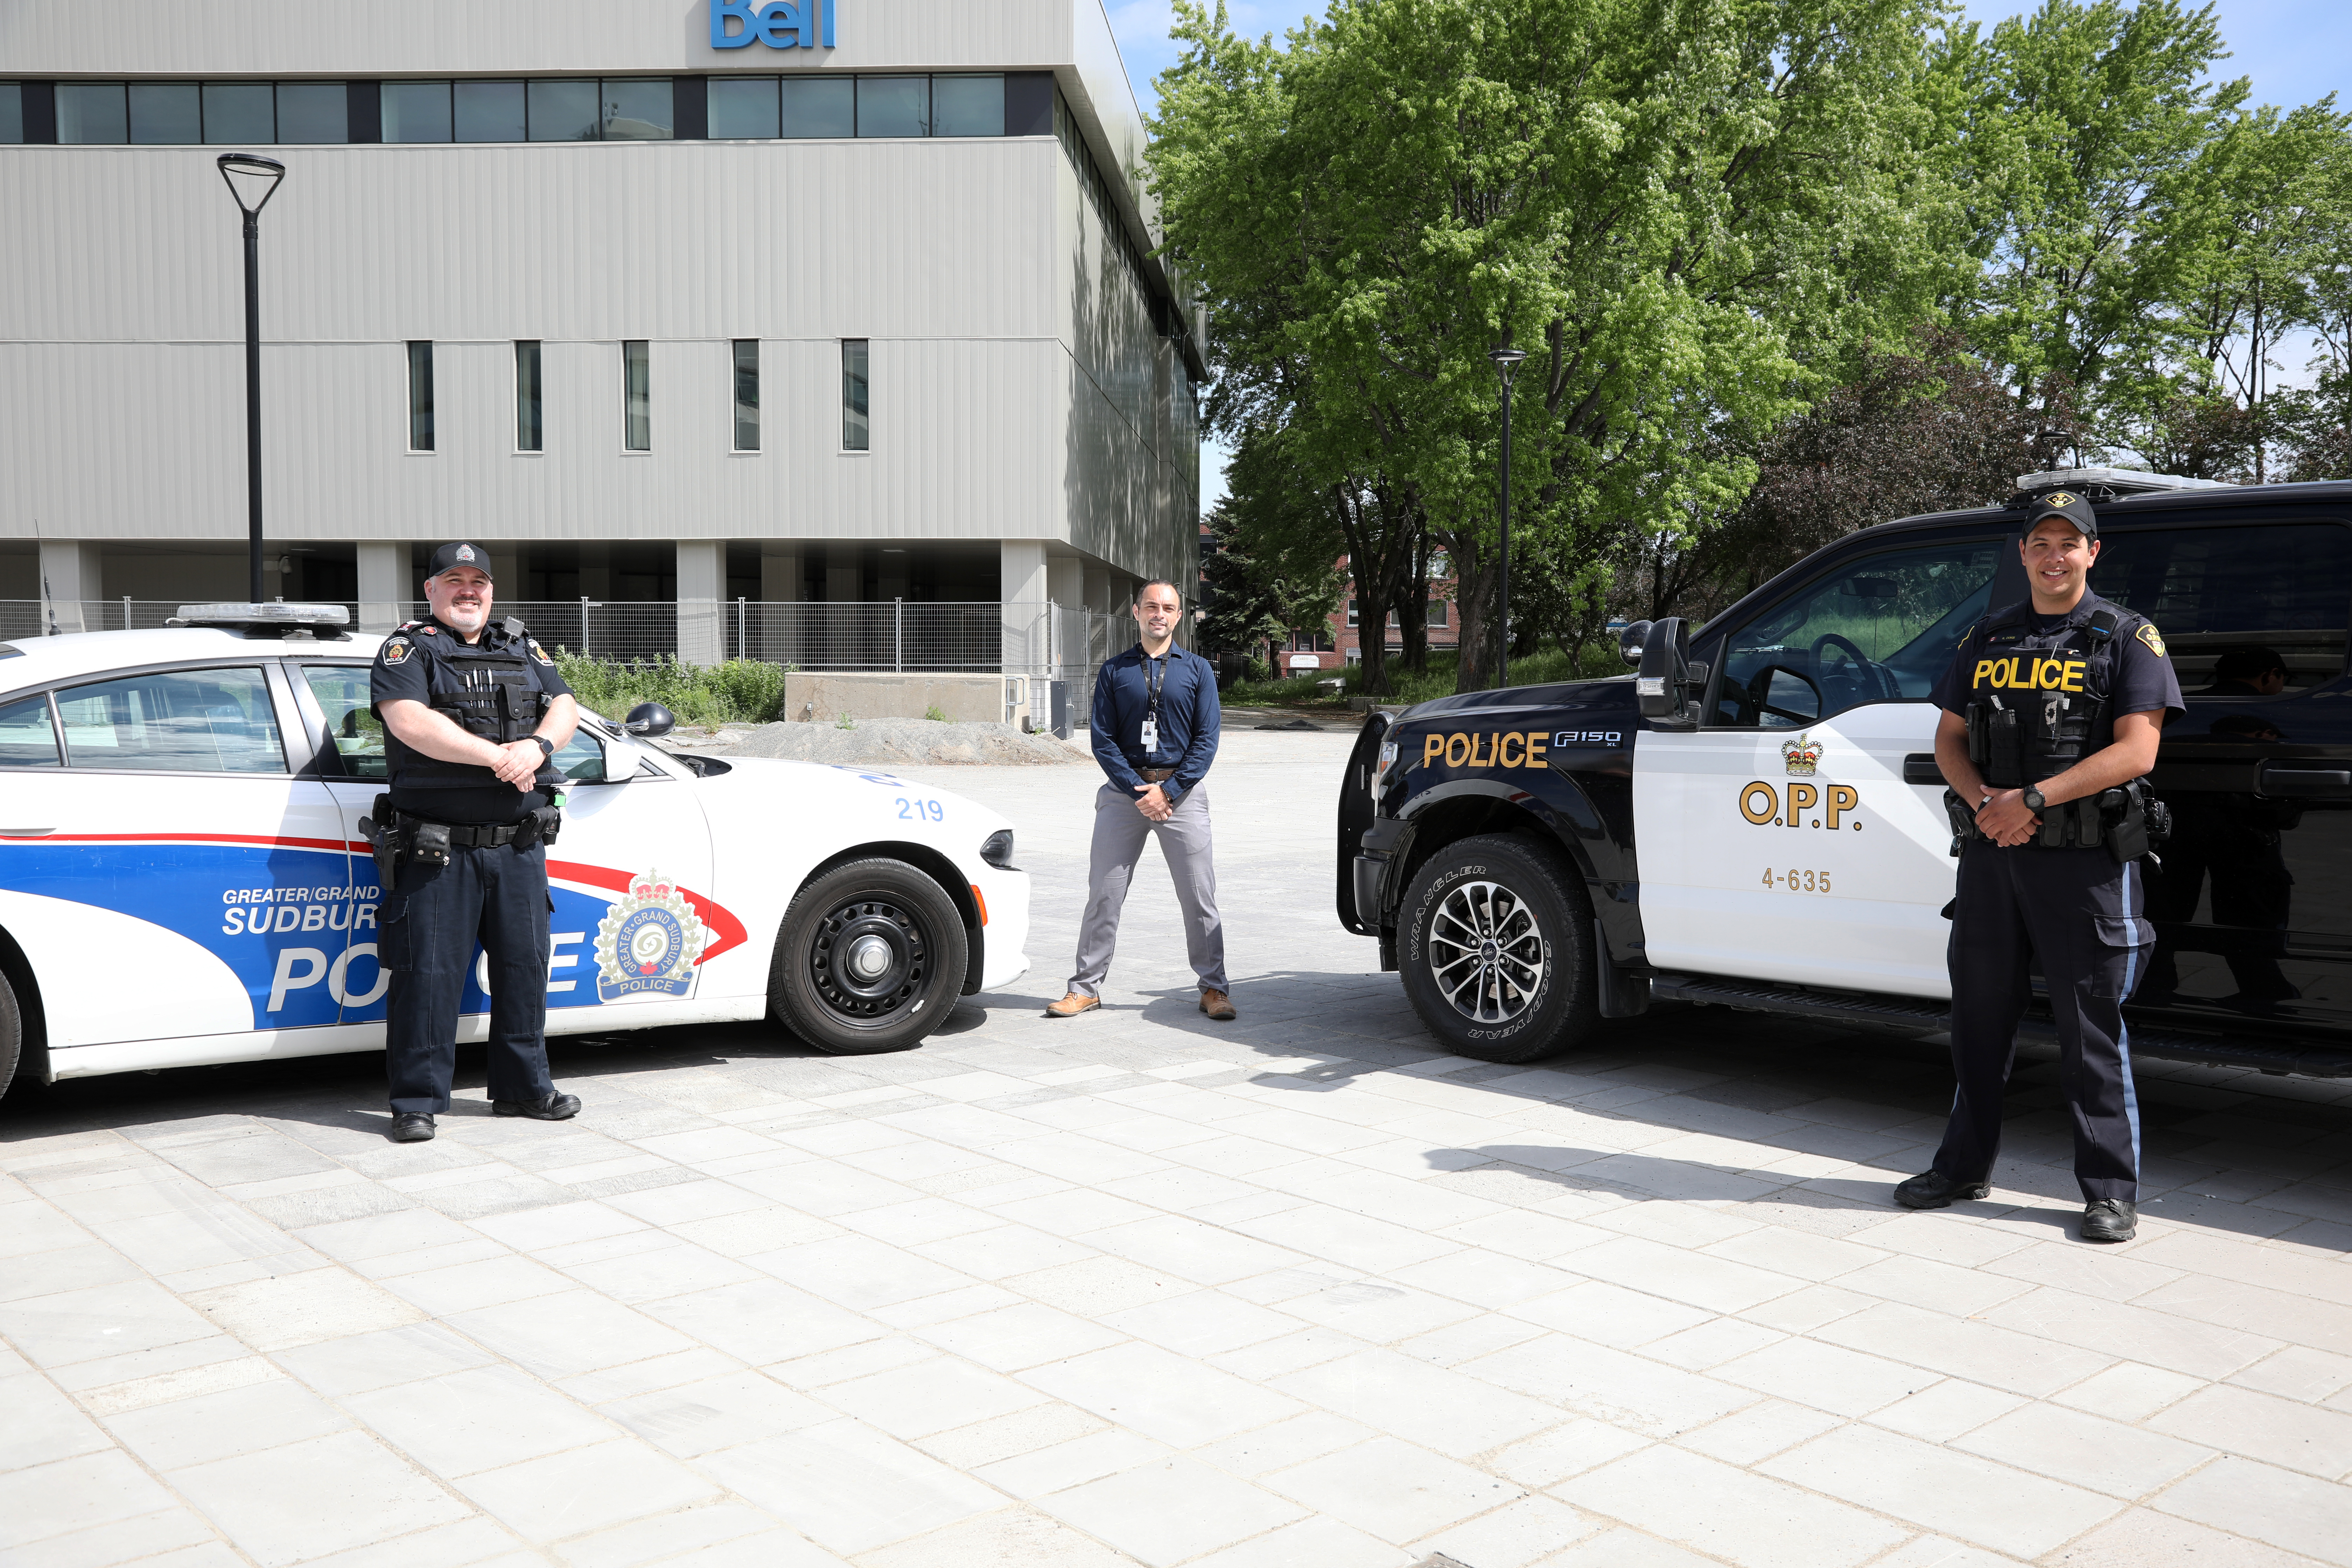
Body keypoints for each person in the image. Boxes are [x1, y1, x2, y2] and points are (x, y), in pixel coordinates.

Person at [1897, 489, 2183, 1242]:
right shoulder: (1988, 636)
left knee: (2091, 1029)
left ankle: (2109, 1191)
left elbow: (2137, 750)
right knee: (1977, 1021)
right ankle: (1961, 1167)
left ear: (2093, 553)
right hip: (1994, 858)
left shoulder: (2126, 636)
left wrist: (2030, 798)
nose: (2054, 556)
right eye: (2040, 543)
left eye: (2069, 543)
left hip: (2084, 862)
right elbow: (1950, 738)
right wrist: (1988, 801)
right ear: (2022, 554)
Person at [370, 542, 582, 1142]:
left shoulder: (519, 645)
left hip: (518, 846)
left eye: (479, 581)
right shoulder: (407, 649)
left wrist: (536, 749)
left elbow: (565, 704)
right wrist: (499, 759)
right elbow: (408, 719)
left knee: (524, 969)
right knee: (428, 976)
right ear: (431, 590)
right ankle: (416, 1102)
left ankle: (524, 1089)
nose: (469, 591)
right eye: (455, 580)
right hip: (437, 851)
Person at [1047, 578, 1234, 1021]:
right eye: (1151, 606)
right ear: (1136, 613)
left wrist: (1167, 791)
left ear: (1179, 616)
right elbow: (1102, 739)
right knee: (1104, 895)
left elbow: (1206, 741)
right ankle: (1085, 988)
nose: (1159, 614)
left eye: (1168, 607)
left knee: (1199, 896)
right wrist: (1140, 791)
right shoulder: (1114, 671)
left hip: (1181, 796)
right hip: (1123, 795)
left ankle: (1214, 988)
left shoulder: (1198, 670)